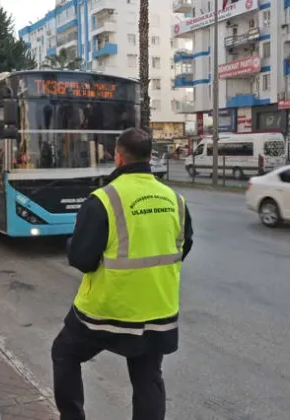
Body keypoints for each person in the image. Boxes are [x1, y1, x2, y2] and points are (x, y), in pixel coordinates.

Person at [52, 127, 194, 420]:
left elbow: (82, 259)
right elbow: (183, 246)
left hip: (107, 311)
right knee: (148, 378)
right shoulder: (175, 200)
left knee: (64, 353)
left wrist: (71, 243)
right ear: (150, 157)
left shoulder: (103, 200)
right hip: (158, 310)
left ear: (118, 157)